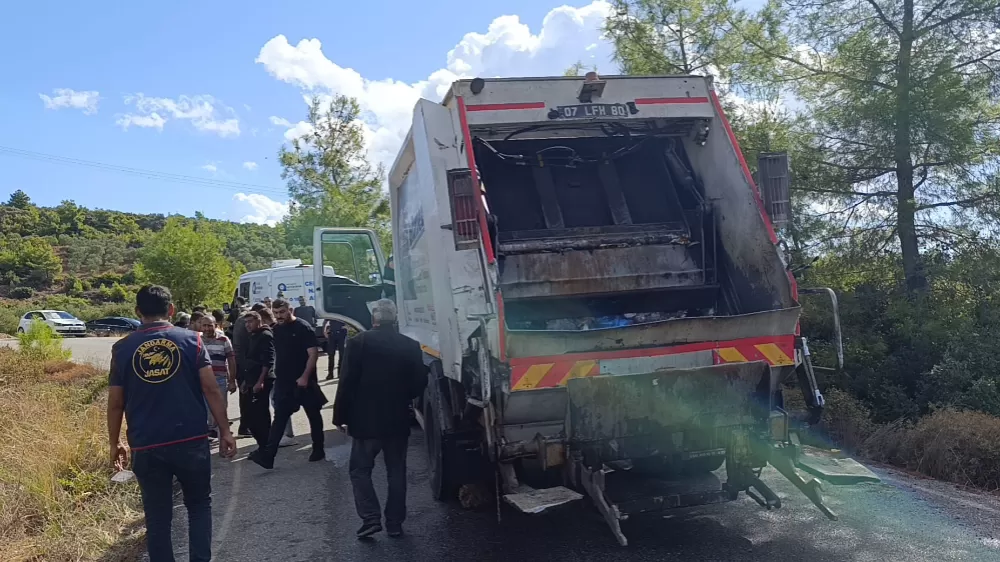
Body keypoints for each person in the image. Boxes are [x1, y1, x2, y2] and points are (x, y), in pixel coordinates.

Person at [107, 285, 236, 562]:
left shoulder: (122, 349)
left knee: (157, 516)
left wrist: (114, 442)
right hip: (190, 440)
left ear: (137, 311)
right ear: (171, 310)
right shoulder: (193, 341)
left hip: (146, 443)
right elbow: (211, 389)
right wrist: (225, 430)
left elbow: (116, 403)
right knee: (199, 505)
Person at [333, 299, 427, 539]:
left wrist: (340, 416)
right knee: (396, 471)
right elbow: (419, 384)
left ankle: (370, 518)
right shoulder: (409, 345)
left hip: (365, 420)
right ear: (394, 318)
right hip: (396, 418)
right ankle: (395, 523)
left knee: (360, 470)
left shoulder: (358, 342)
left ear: (373, 318)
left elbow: (347, 382)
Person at [249, 298, 327, 469]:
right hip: (284, 382)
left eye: (282, 312)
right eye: (276, 313)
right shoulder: (276, 330)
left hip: (304, 381)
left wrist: (305, 376)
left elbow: (313, 354)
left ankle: (318, 448)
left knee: (313, 415)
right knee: (280, 418)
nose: (279, 316)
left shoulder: (303, 327)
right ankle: (268, 456)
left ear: (290, 311)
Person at [239, 310, 275, 450]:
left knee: (261, 416)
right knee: (250, 417)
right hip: (251, 379)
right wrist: (245, 381)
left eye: (250, 321)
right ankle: (262, 445)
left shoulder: (265, 335)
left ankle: (265, 446)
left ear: (258, 321)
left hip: (262, 380)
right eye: (246, 322)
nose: (247, 325)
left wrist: (260, 381)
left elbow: (268, 360)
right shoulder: (253, 335)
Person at [199, 315, 237, 439]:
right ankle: (210, 431)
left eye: (209, 325)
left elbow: (231, 360)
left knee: (220, 410)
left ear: (215, 326)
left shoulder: (224, 340)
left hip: (219, 380)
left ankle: (223, 437)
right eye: (204, 325)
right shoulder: (197, 340)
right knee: (205, 410)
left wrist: (232, 381)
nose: (206, 328)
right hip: (202, 381)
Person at [232, 302, 261, 438]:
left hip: (242, 364)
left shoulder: (241, 320)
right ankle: (245, 426)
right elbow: (243, 348)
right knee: (247, 397)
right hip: (245, 365)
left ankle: (246, 426)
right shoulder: (245, 322)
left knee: (246, 397)